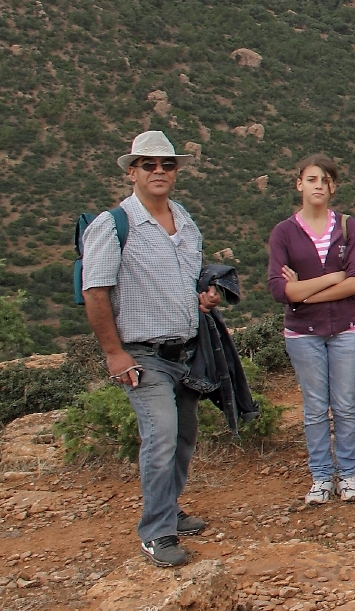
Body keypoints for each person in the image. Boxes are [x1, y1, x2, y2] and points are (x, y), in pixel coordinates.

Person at [82, 131, 223, 568]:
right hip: (141, 354)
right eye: (149, 164)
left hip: (184, 350)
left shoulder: (184, 219)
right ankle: (156, 532)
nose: (159, 172)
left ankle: (170, 509)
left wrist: (203, 296)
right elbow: (95, 292)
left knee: (183, 435)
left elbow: (187, 278)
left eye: (167, 165)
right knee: (161, 435)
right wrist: (113, 353)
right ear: (132, 172)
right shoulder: (112, 225)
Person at [267, 154, 355, 506]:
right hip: (303, 333)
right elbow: (281, 291)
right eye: (311, 180)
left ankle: (350, 475)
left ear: (333, 187)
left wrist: (304, 290)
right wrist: (332, 277)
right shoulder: (284, 232)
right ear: (299, 184)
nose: (318, 186)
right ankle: (322, 478)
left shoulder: (347, 227)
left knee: (344, 404)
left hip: (346, 328)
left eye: (324, 181)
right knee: (314, 407)